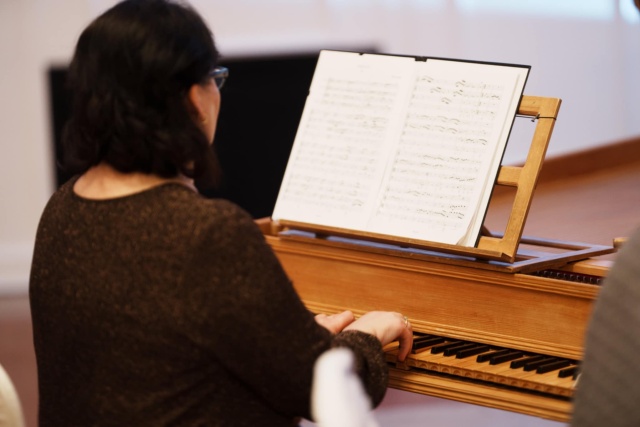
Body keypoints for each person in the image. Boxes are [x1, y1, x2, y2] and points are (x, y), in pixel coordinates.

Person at [28, 1, 413, 426]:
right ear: (195, 97)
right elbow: (322, 390)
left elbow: (155, 357)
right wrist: (369, 334)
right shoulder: (205, 232)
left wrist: (296, 342)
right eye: (215, 80)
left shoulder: (62, 209)